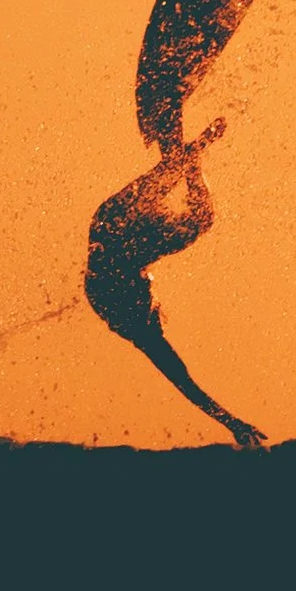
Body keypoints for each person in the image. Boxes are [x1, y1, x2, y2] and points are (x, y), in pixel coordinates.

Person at [83, 115, 266, 449]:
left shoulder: (133, 318)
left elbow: (181, 379)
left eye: (153, 304)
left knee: (194, 209)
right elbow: (181, 378)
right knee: (182, 186)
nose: (156, 301)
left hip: (119, 229)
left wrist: (229, 421)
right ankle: (191, 153)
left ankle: (191, 153)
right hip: (111, 222)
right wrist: (227, 419)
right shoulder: (133, 318)